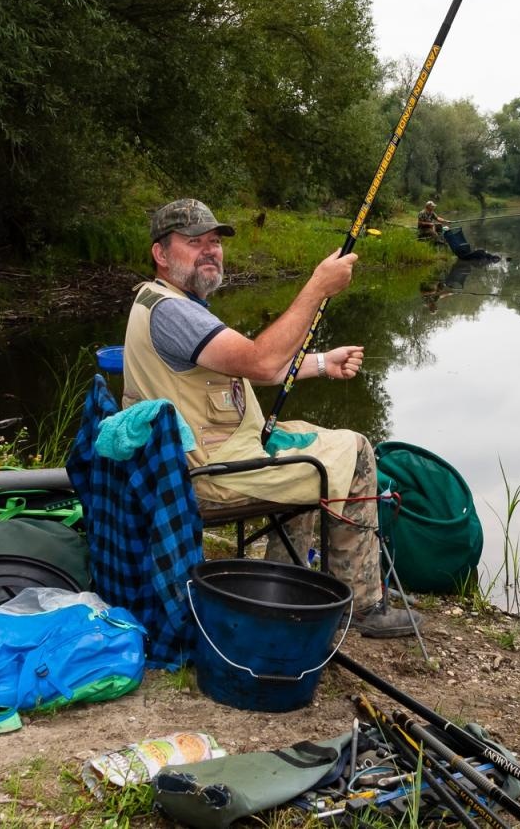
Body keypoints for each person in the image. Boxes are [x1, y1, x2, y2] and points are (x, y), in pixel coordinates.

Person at [121, 199, 420, 638]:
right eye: (194, 242)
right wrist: (317, 288)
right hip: (209, 475)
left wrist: (324, 363)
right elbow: (261, 362)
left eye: (214, 241)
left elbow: (257, 366)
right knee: (355, 450)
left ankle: (286, 584)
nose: (209, 250)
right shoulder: (174, 312)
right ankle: (362, 602)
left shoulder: (166, 302)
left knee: (312, 441)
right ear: (160, 254)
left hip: (194, 460)